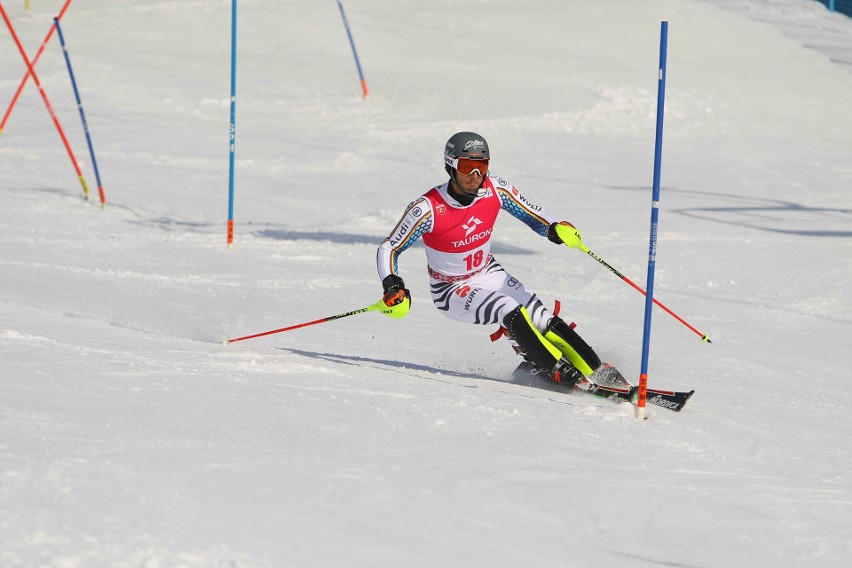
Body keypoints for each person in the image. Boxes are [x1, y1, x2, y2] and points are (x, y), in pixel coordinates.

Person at [376, 131, 605, 388]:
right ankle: (556, 371)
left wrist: (555, 229)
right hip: (451, 289)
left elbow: (534, 215)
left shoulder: (495, 189)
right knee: (507, 308)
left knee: (540, 316)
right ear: (450, 166)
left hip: (488, 271)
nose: (475, 175)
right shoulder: (427, 208)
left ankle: (599, 371)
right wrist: (393, 285)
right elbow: (390, 247)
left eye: (481, 166)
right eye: (466, 166)